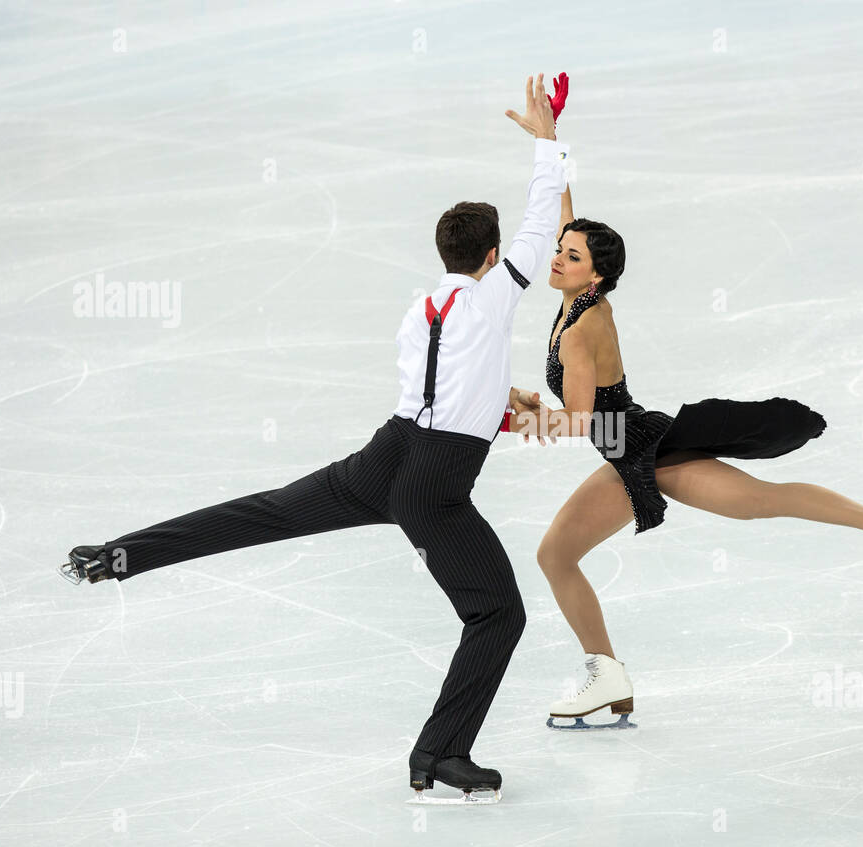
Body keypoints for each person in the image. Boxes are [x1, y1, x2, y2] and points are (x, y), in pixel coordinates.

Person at [59, 74, 570, 801]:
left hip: (384, 456)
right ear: (491, 258)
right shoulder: (494, 297)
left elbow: (439, 394)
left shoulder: (422, 306)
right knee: (498, 613)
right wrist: (548, 141)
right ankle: (439, 754)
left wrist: (498, 401)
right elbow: (541, 221)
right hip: (433, 485)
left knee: (262, 513)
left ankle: (121, 554)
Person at [516, 176, 863, 728]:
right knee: (563, 553)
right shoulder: (580, 300)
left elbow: (581, 419)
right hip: (629, 450)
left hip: (644, 452)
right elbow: (570, 225)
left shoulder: (583, 326)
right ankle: (605, 674)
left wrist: (510, 418)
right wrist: (553, 152)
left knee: (755, 503)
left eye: (570, 255)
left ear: (595, 274)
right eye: (559, 250)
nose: (556, 257)